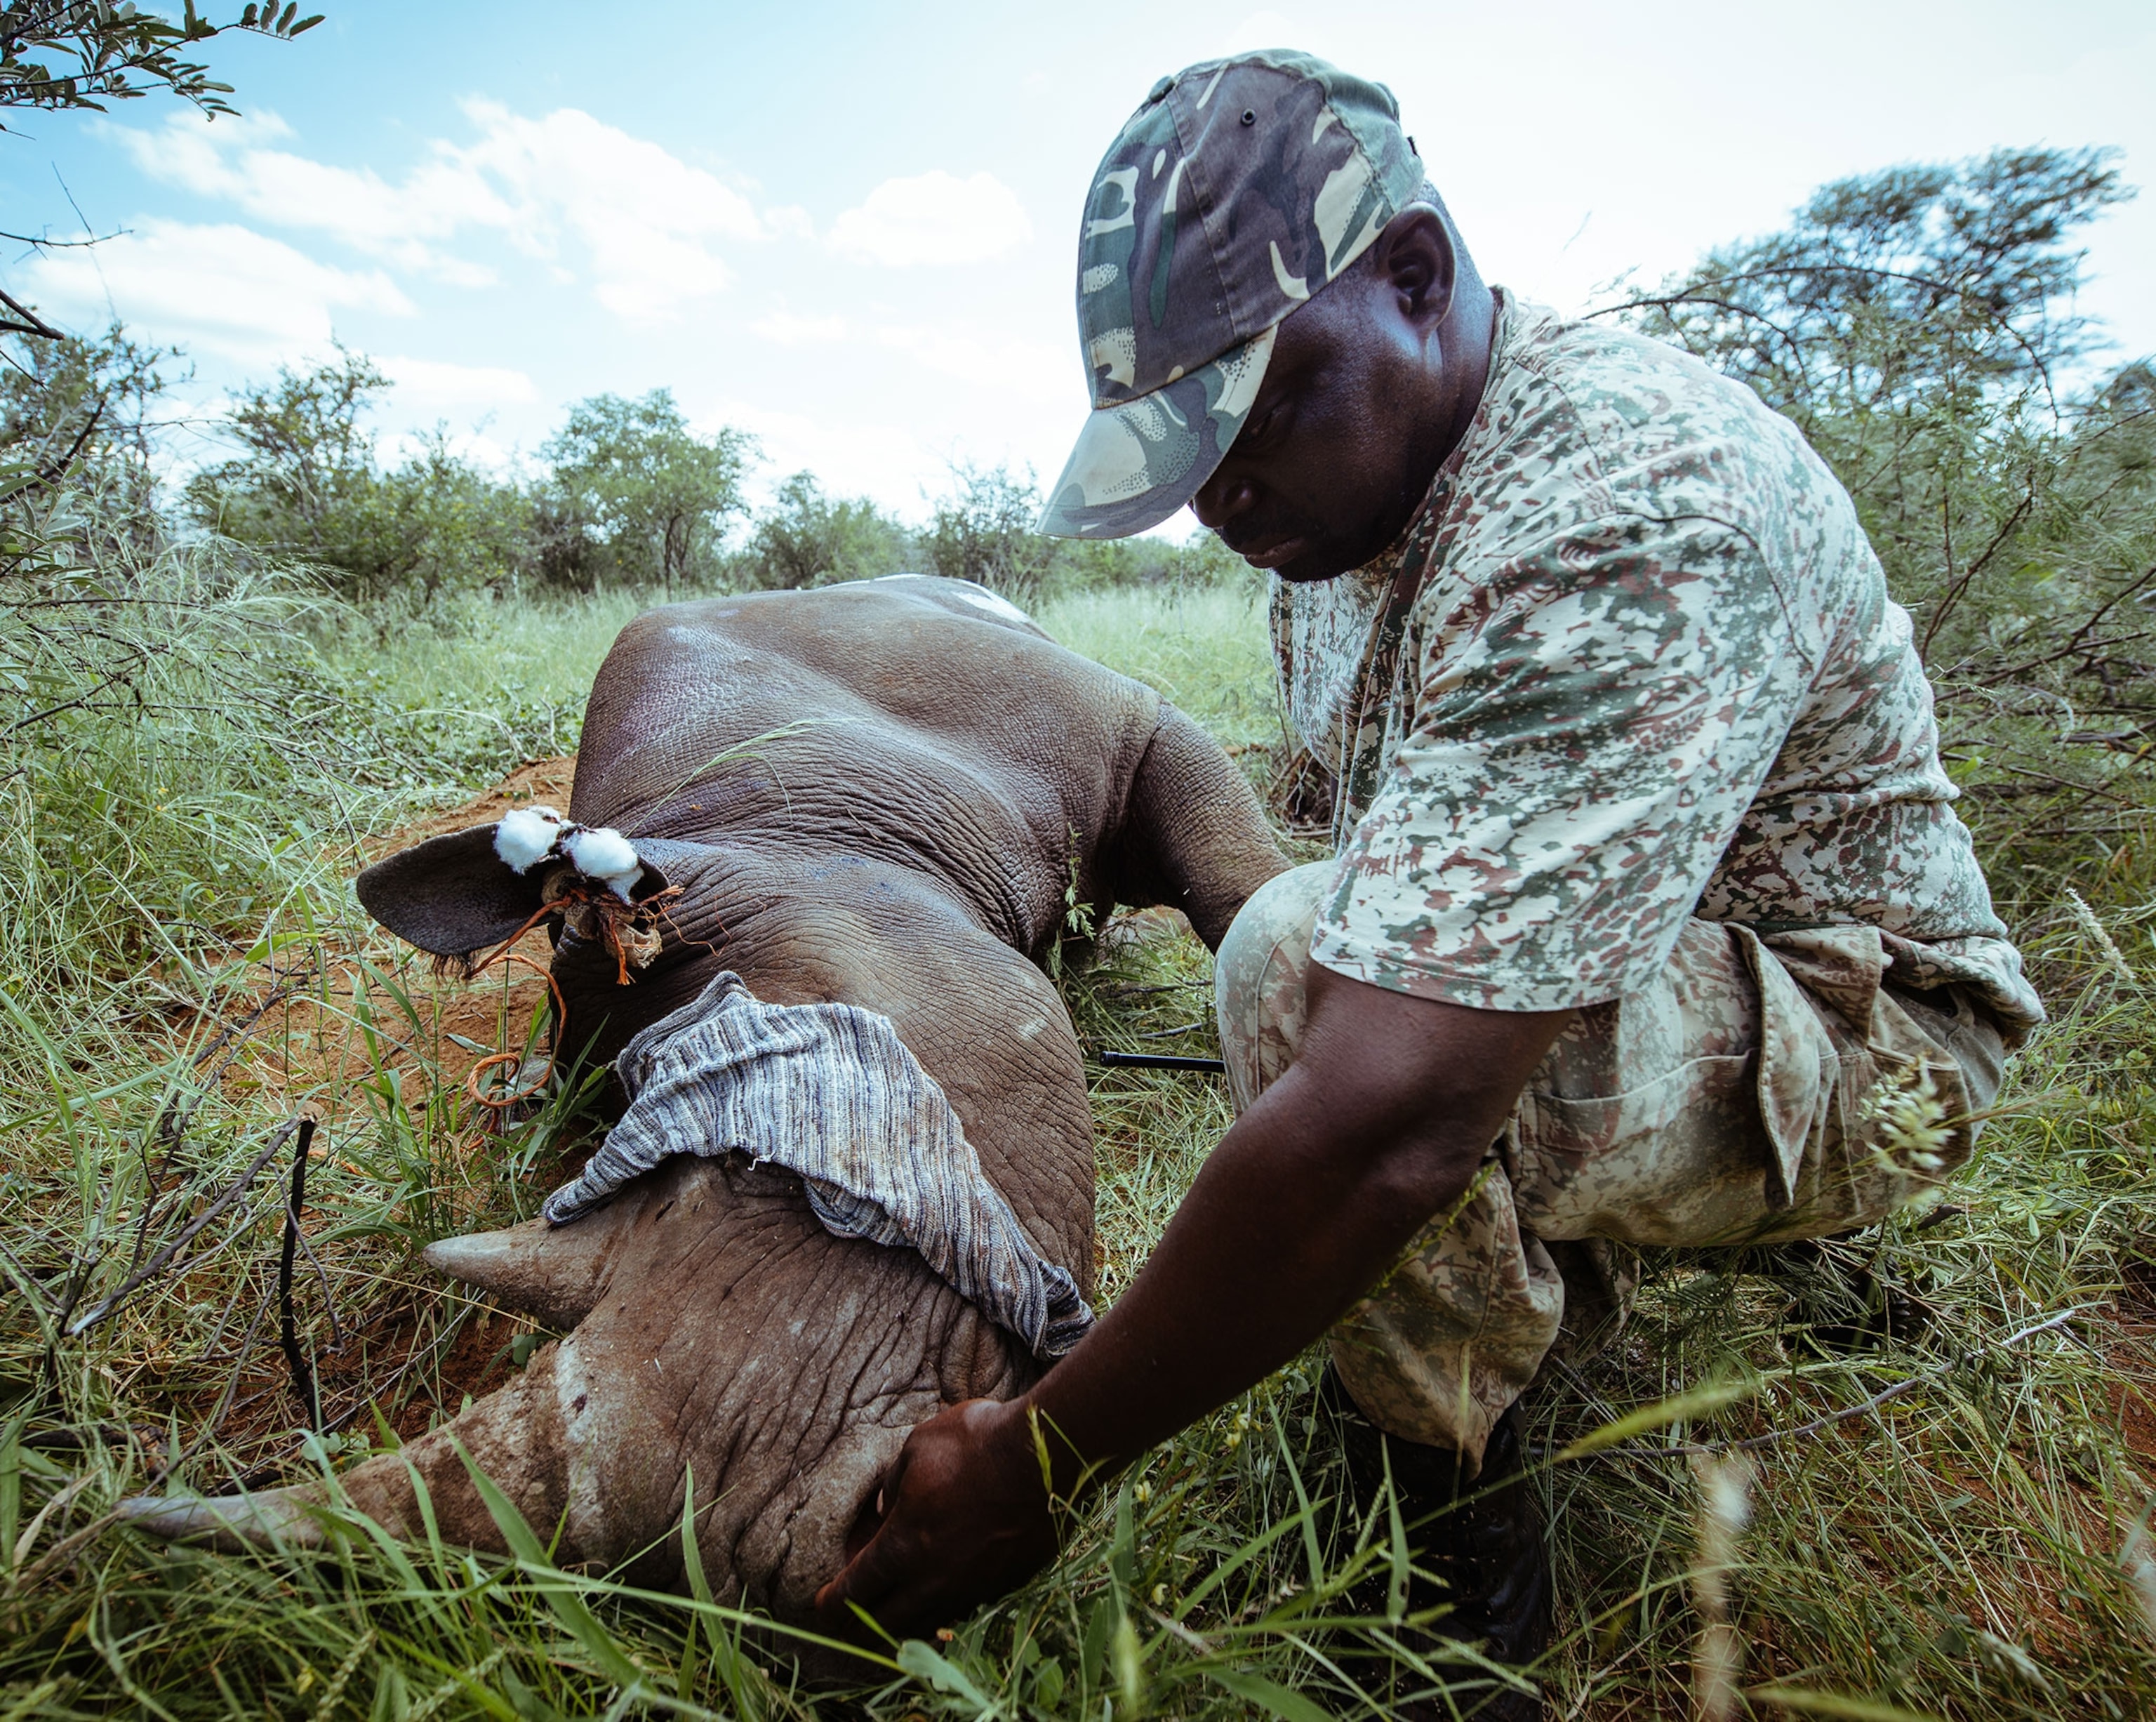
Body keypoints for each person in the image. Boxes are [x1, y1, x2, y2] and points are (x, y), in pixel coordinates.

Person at [815, 48, 2042, 1716]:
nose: (1222, 498)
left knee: (1300, 968)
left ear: (1416, 277)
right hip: (1653, 978)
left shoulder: (1621, 499)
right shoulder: (1346, 527)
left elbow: (1388, 1119)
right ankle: (1489, 1342)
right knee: (1322, 956)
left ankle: (1455, 1583)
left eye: (1253, 416)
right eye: (1190, 458)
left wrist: (1049, 1453)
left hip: (1869, 1033)